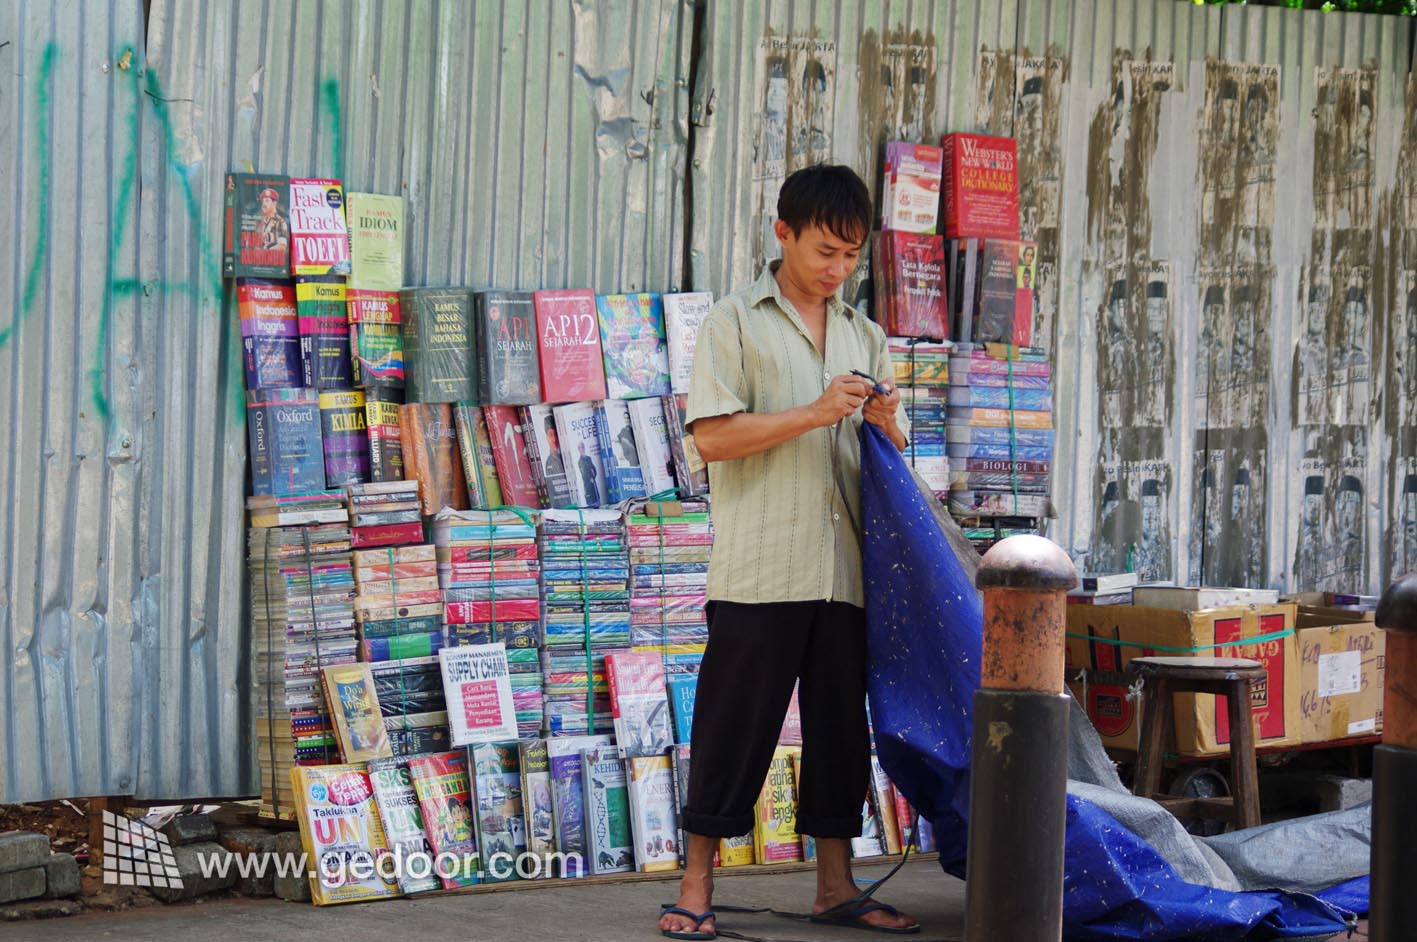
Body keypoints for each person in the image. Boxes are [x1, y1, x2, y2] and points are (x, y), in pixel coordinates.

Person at [659, 164, 917, 940]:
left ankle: (835, 886)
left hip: (843, 572)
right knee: (733, 724)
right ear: (782, 233)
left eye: (849, 256)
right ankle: (695, 886)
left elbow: (893, 460)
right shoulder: (734, 321)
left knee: (842, 732)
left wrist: (885, 422)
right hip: (760, 566)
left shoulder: (864, 334)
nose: (836, 269)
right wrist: (811, 412)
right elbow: (711, 439)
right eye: (823, 251)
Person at [256, 187, 289, 252]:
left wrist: (265, 251)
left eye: (267, 201)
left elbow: (282, 247)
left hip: (273, 259)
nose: (263, 204)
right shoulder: (261, 222)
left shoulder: (280, 222)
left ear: (274, 203)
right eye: (263, 201)